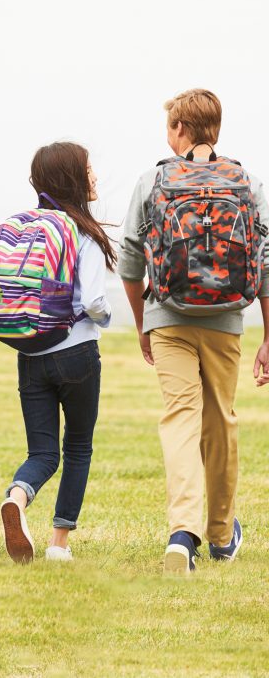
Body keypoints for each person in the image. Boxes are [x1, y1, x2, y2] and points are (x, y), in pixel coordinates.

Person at [119, 88, 269, 575]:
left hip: (168, 318)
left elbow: (129, 260)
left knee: (180, 418)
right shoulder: (247, 183)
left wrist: (143, 325)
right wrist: (268, 336)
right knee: (220, 420)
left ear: (179, 130)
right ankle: (221, 535)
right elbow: (264, 264)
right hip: (226, 320)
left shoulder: (154, 180)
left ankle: (183, 533)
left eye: (170, 126)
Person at [0, 142, 115, 563]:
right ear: (73, 178)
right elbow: (95, 302)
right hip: (77, 353)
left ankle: (16, 496)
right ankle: (57, 544)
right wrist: (105, 321)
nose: (95, 176)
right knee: (78, 447)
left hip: (29, 353)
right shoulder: (83, 231)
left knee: (42, 453)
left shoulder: (26, 227)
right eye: (89, 169)